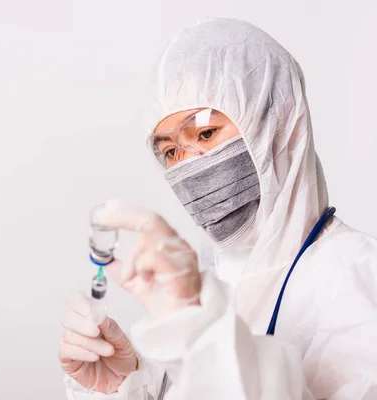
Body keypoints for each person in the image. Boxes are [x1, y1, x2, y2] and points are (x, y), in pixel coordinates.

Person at [58, 18, 377, 399]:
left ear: (282, 121)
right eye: (171, 151)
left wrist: (203, 336)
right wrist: (131, 384)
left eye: (206, 134)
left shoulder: (357, 280)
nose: (188, 166)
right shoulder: (203, 279)